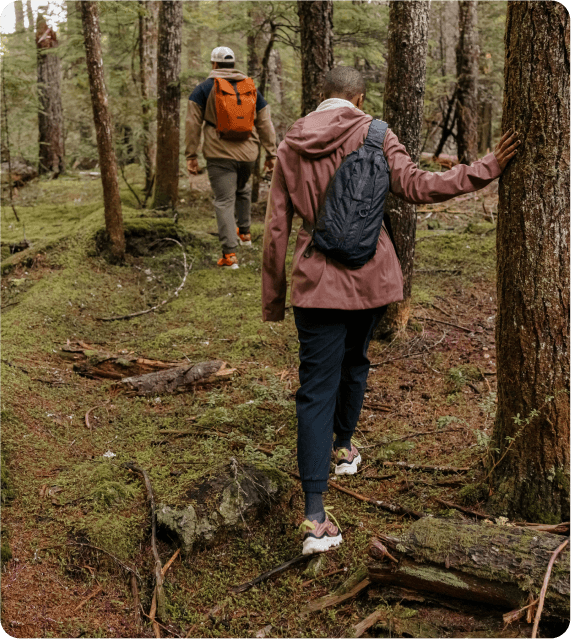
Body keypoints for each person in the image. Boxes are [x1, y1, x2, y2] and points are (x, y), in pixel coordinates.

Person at [262, 66, 520, 555]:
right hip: (369, 278)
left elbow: (277, 225)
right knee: (356, 360)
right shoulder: (375, 133)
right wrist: (486, 167)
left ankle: (315, 516)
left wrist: (276, 298)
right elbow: (421, 186)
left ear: (321, 97)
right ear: (358, 97)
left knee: (314, 390)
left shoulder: (292, 141)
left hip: (315, 283)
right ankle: (344, 447)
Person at [186, 46, 278, 269]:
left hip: (219, 154)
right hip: (249, 153)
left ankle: (229, 256)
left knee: (224, 201)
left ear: (214, 65)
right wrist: (271, 153)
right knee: (242, 189)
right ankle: (244, 234)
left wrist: (191, 154)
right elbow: (265, 123)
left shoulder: (203, 89)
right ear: (233, 65)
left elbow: (192, 124)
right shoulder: (250, 88)